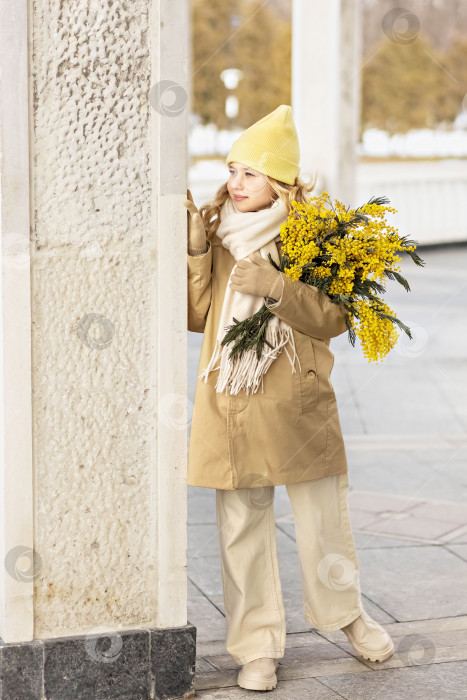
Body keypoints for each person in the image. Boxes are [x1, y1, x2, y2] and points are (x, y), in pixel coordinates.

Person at [184, 105, 394, 692]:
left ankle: (348, 617)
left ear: (279, 181)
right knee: (240, 529)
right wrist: (200, 254)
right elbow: (197, 317)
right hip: (232, 404)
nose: (235, 183)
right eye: (231, 169)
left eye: (250, 172)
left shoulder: (313, 237)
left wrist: (276, 286)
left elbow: (332, 319)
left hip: (297, 403)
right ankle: (255, 648)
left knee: (323, 519)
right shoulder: (220, 232)